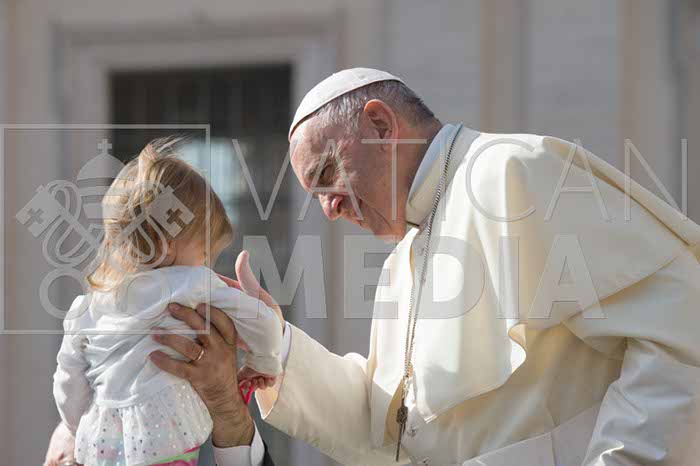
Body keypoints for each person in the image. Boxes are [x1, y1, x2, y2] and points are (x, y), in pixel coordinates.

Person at [170, 68, 700, 465]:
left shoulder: (509, 171)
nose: (329, 208)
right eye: (316, 196)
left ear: (380, 124)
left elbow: (680, 330)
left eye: (328, 174)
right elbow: (387, 429)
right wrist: (274, 341)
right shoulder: (403, 259)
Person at [49, 139, 283, 466]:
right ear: (165, 244)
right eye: (205, 251)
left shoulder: (87, 307)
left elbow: (68, 385)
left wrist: (80, 428)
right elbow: (267, 326)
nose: (207, 263)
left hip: (102, 443)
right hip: (164, 437)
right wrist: (264, 362)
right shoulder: (193, 283)